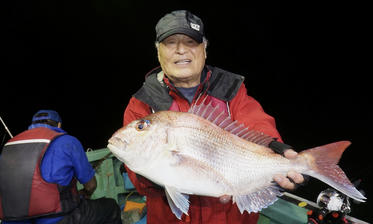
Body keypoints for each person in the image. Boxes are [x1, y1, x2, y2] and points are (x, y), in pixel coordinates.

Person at [122, 10, 304, 224]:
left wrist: (277, 149)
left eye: (190, 42)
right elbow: (139, 178)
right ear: (158, 51)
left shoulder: (230, 91)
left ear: (204, 49)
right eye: (170, 43)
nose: (181, 50)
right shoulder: (142, 104)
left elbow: (255, 122)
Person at [0, 110, 122, 224]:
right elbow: (91, 186)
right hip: (57, 218)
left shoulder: (8, 146)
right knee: (111, 207)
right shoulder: (67, 141)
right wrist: (85, 193)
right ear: (58, 125)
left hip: (11, 220)